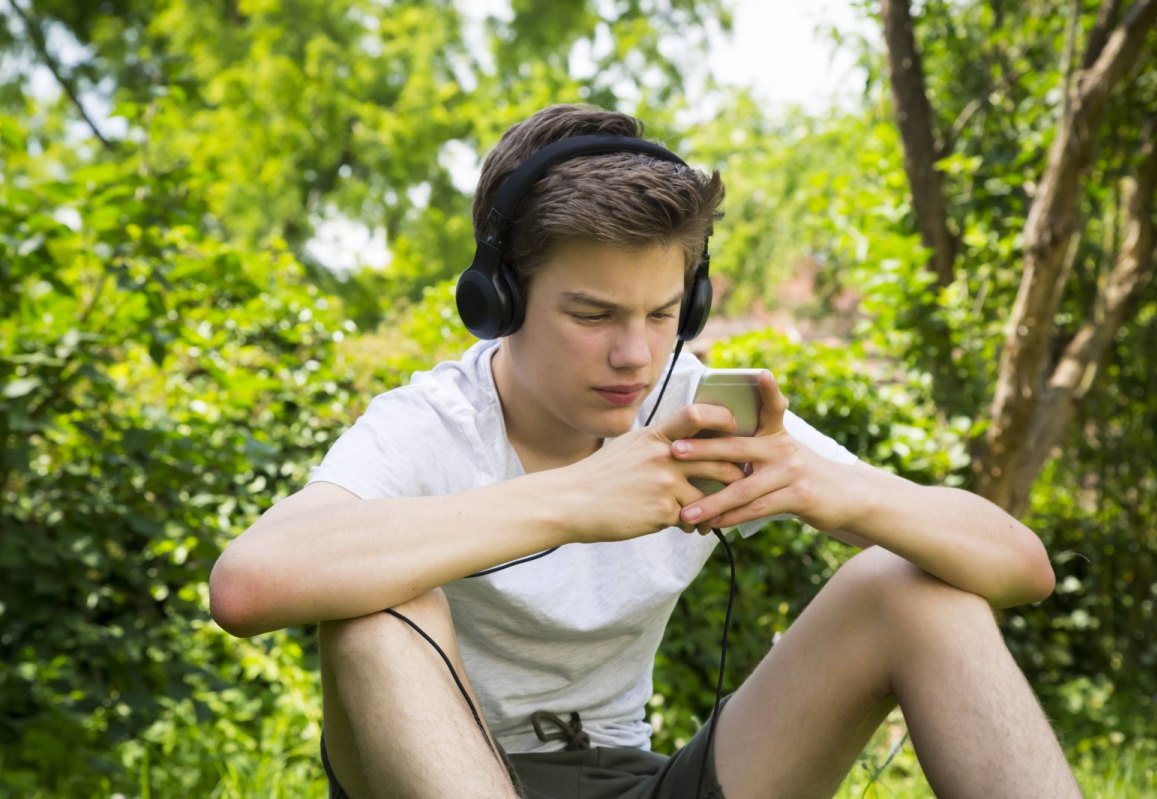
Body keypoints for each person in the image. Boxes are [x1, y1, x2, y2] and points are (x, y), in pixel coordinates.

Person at [209, 104, 1081, 799]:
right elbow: (249, 583)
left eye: (663, 314)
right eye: (592, 315)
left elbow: (1020, 568)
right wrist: (573, 500)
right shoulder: (434, 422)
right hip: (440, 773)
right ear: (499, 296)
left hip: (636, 778)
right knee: (379, 610)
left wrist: (826, 487)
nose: (636, 355)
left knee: (908, 588)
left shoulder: (692, 405)